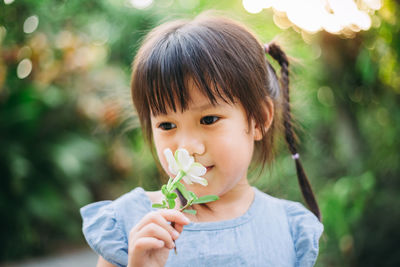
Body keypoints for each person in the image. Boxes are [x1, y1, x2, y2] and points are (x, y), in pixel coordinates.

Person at [80, 12, 323, 267]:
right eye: (166, 125)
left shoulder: (288, 228)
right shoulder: (129, 225)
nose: (186, 146)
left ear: (259, 119)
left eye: (208, 120)